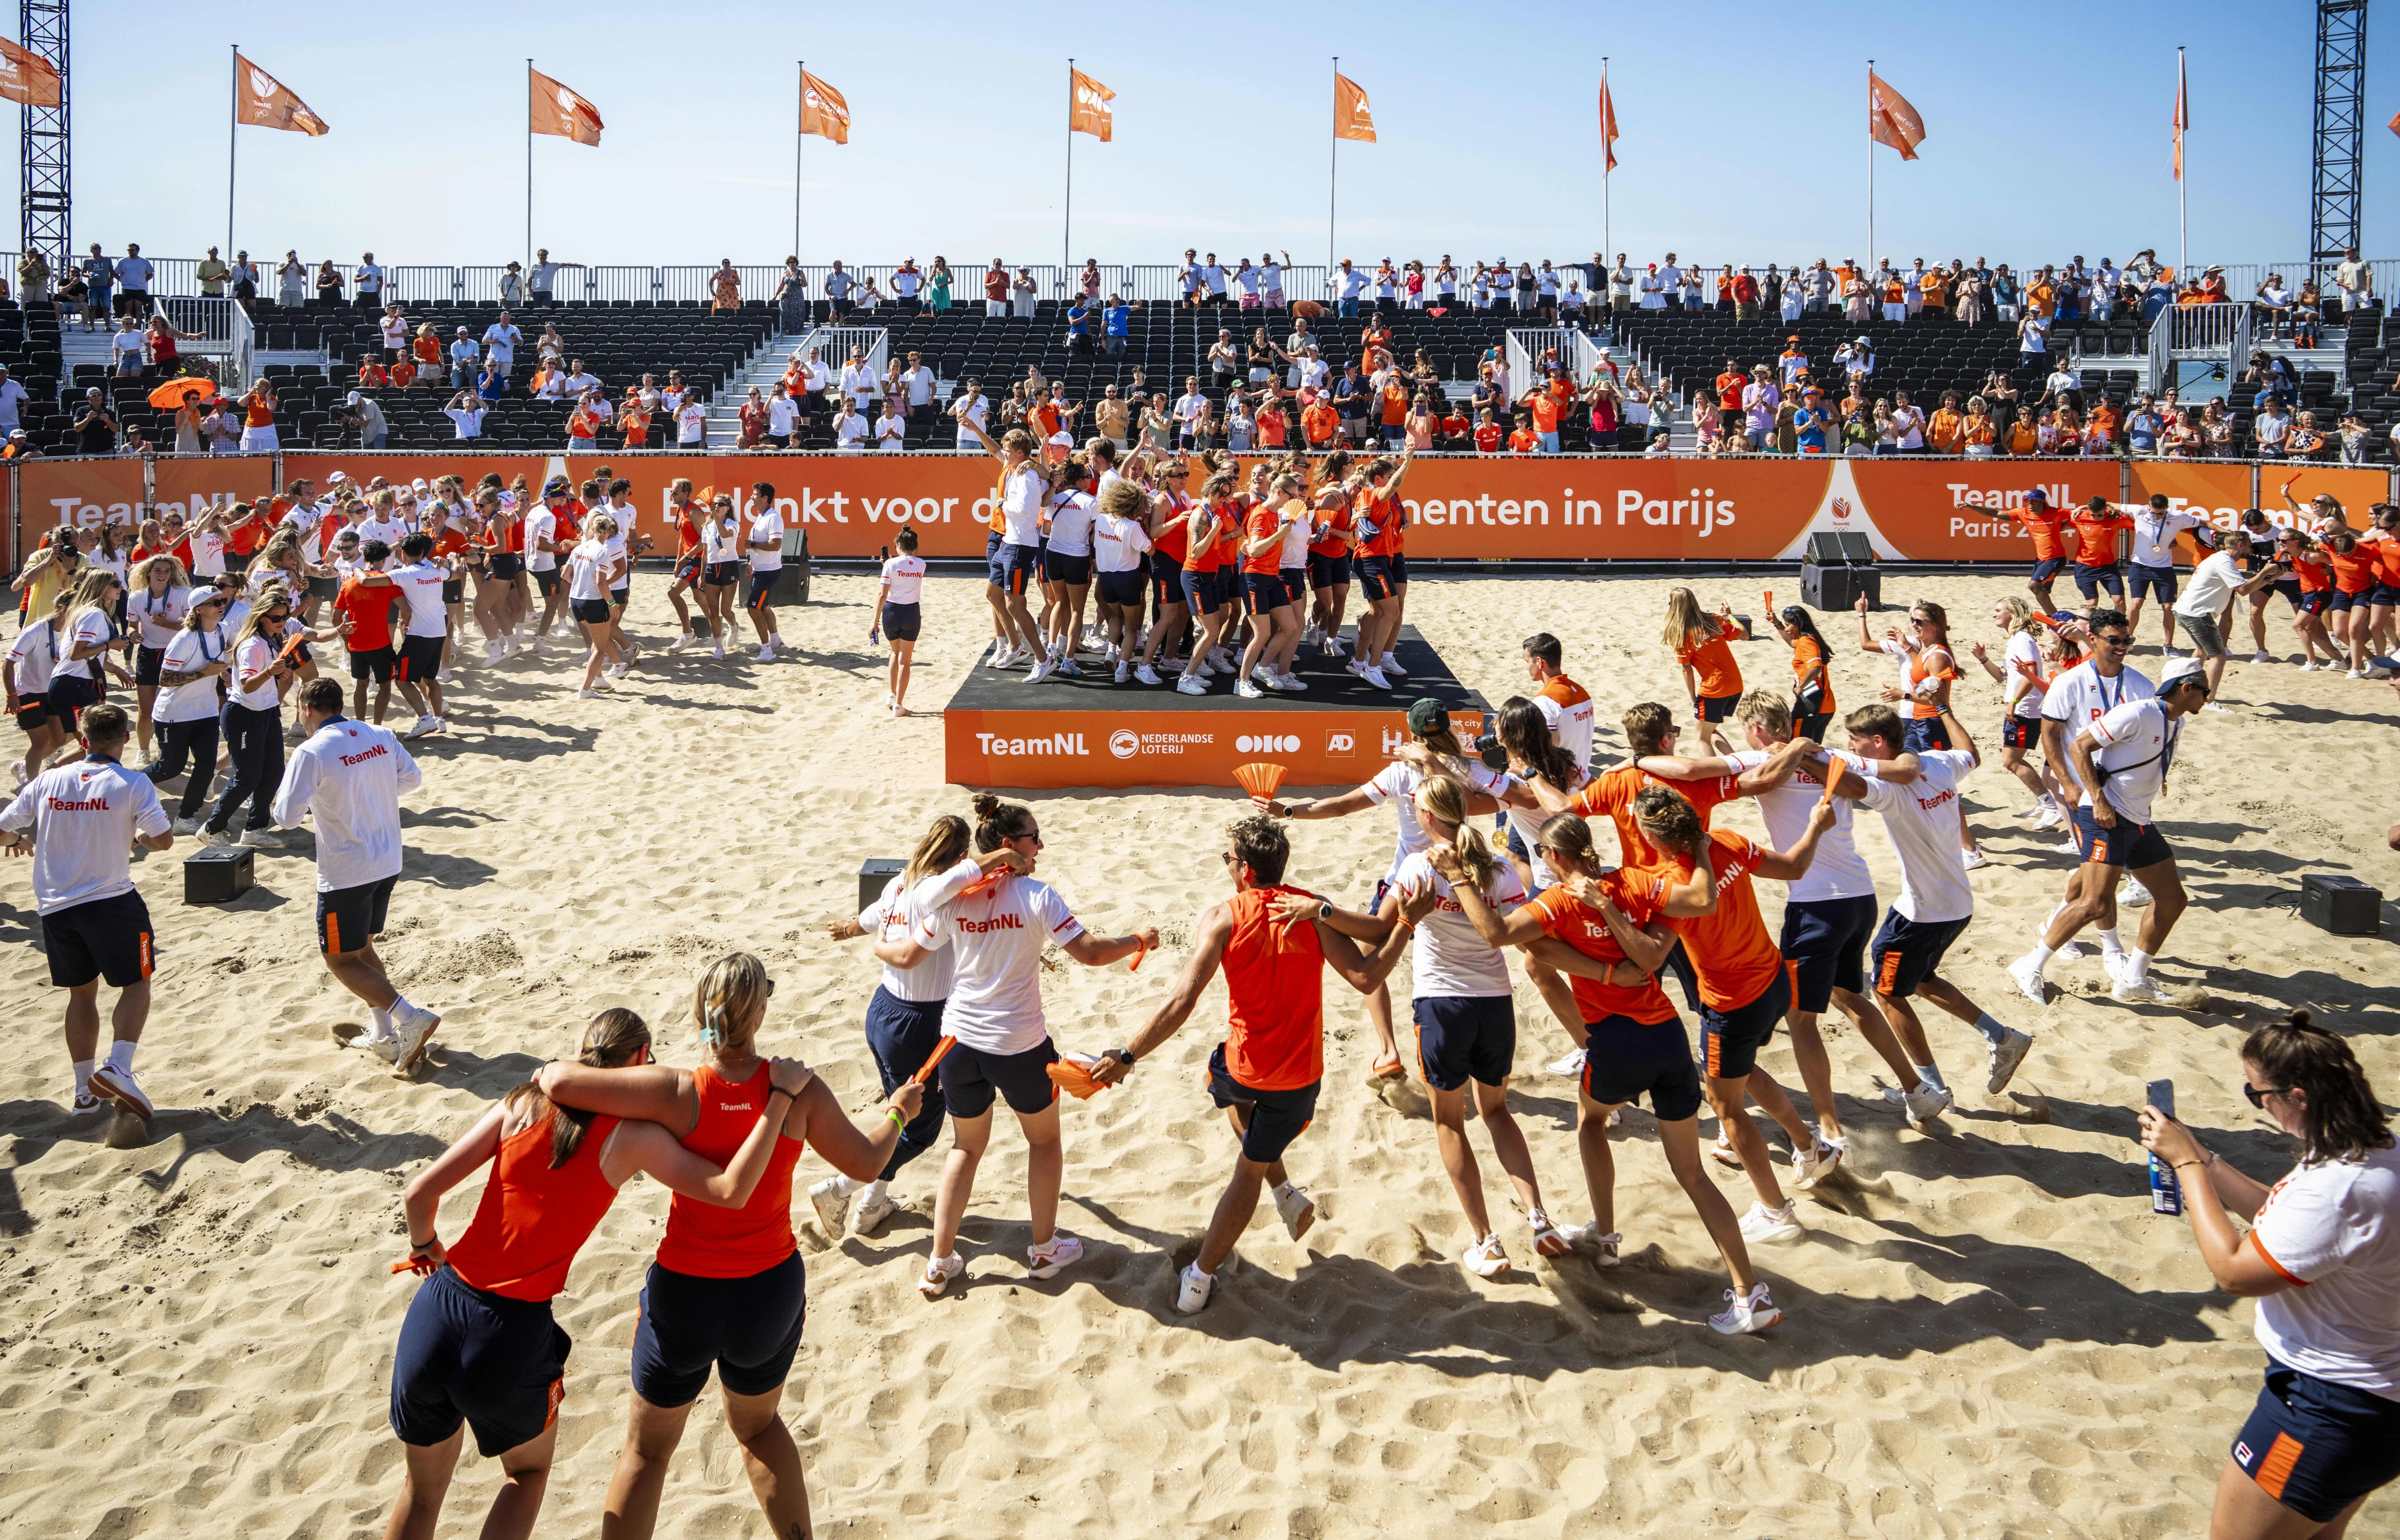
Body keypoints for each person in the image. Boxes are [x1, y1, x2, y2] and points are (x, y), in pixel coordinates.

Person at [532, 955, 927, 1540]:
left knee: (646, 1454)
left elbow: (558, 1080)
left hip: (685, 1294)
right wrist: (898, 1112)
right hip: (766, 1292)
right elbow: (868, 1161)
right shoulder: (798, 1089)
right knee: (760, 1430)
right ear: (760, 1014)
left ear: (699, 1011)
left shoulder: (673, 1090)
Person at [383, 1013, 808, 1540]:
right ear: (639, 1061)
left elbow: (418, 1196)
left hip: (438, 1308)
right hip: (509, 1332)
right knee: (525, 1474)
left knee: (420, 1494)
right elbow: (727, 1189)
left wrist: (426, 1246)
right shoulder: (631, 1136)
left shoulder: (520, 1104)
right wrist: (779, 1101)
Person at [1444, 806, 1786, 1333]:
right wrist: (1696, 845)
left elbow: (1495, 931)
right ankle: (1749, 1293)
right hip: (1668, 1037)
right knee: (1692, 1173)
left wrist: (1457, 877)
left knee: (1593, 1122)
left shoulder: (1557, 901)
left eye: (1543, 854)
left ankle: (1605, 1239)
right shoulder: (1637, 882)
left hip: (1616, 1042)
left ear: (1555, 856)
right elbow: (1700, 898)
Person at [1088, 814, 1419, 1312]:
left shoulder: (1223, 917)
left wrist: (1129, 1054)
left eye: (1228, 858)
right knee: (1227, 1096)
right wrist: (1406, 928)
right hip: (1295, 1076)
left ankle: (1198, 1281)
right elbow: (1368, 979)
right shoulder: (1311, 912)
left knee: (1245, 1166)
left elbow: (1181, 1000)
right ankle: (1284, 1189)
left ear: (1243, 868)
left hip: (1249, 1067)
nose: (1226, 864)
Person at [2137, 1011, 2399, 1540]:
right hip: (2375, 1410)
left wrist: (2187, 1169)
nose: (2258, 1105)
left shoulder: (2335, 1188)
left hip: (2323, 1411)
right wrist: (2206, 1158)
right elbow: (2287, 1231)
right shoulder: (2379, 1152)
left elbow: (2235, 1272)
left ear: (2297, 1097)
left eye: (2259, 1095)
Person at [909, 796, 1158, 1297]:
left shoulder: (955, 897)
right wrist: (1138, 939)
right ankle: (1044, 1252)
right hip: (1019, 1044)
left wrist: (865, 934)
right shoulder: (1038, 895)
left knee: (965, 1147)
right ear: (1009, 847)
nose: (1041, 846)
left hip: (958, 1041)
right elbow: (1088, 954)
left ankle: (938, 1262)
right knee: (1043, 1142)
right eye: (1033, 838)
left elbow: (913, 950)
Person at [1617, 782, 1839, 1242]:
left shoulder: (1670, 885)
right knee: (1740, 1072)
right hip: (1773, 980)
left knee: (1724, 1104)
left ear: (1654, 839)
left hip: (1732, 1004)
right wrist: (1816, 827)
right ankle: (1808, 1146)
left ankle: (1776, 1211)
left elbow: (1652, 957)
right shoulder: (1728, 842)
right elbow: (1795, 864)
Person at [1259, 699, 1519, 1079]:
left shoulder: (1402, 772)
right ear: (1449, 727)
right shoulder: (1470, 771)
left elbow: (1341, 806)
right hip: (1466, 878)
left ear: (1411, 735)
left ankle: (1387, 1050)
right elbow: (1490, 804)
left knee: (1369, 958)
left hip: (1408, 880)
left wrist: (1289, 811)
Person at [1818, 703, 2034, 1126]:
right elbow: (1971, 752)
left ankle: (1930, 1086)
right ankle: (2003, 1037)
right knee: (1918, 980)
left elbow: (1846, 785)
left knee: (1886, 992)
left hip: (1925, 911)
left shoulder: (1890, 790)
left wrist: (1803, 755)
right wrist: (1946, 711)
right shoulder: (1939, 763)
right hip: (1955, 904)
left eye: (1855, 741)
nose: (1850, 746)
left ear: (1877, 743)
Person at [815, 821, 1026, 1237]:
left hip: (883, 1014)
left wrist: (848, 929)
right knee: (919, 1131)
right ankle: (839, 1188)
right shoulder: (933, 891)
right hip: (918, 1024)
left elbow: (874, 918)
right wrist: (1003, 856)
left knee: (901, 1113)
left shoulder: (900, 883)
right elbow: (964, 876)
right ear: (960, 857)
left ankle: (871, 1207)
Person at [0, 702, 172, 1123]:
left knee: (82, 994)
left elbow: (3, 829)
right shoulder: (132, 783)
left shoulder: (49, 780)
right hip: (112, 902)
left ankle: (83, 1091)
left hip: (57, 907)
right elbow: (163, 840)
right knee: (137, 983)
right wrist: (135, 838)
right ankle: (118, 1065)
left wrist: (18, 838)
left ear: (82, 739)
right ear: (126, 739)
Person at [2009, 656, 2212, 1008]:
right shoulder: (2137, 713)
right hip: (2103, 815)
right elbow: (2078, 746)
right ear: (2186, 688)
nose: (2207, 698)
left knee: (2173, 899)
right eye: (2204, 691)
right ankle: (2029, 966)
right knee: (2094, 902)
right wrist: (2097, 799)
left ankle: (2133, 978)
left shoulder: (2174, 722)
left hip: (2136, 819)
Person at [271, 676, 440, 1069]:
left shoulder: (311, 751)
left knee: (340, 961)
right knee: (362, 949)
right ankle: (383, 1034)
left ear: (307, 708)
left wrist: (329, 796)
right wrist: (365, 787)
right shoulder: (378, 733)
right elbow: (412, 780)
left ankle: (411, 1018)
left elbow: (285, 818)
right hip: (388, 861)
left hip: (347, 871)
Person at [2038, 607, 2158, 942]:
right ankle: (2112, 949)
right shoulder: (2069, 682)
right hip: (2085, 791)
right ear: (2092, 639)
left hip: (2126, 794)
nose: (2121, 646)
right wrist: (2066, 785)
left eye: (2127, 640)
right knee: (2101, 875)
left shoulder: (2141, 685)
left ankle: (2054, 923)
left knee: (2096, 868)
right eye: (2114, 640)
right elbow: (2050, 736)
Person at [1968, 597, 2066, 826]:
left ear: (2012, 613)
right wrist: (1983, 659)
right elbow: (2003, 677)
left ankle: (2050, 805)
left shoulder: (2022, 639)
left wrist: (2014, 700)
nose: (1994, 614)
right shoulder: (2016, 640)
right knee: (2014, 759)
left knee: (2011, 761)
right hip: (2023, 707)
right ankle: (2045, 803)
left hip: (2025, 709)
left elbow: (2031, 673)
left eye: (1998, 610)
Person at [143, 587, 234, 831]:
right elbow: (165, 678)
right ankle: (129, 785)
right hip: (174, 713)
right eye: (215, 602)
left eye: (223, 600)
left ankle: (185, 817)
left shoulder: (222, 630)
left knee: (205, 767)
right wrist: (203, 674)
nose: (221, 604)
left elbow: (215, 662)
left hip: (204, 711)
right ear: (199, 609)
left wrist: (224, 674)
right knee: (171, 766)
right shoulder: (184, 639)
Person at [2173, 531, 2278, 703]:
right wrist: (2263, 573)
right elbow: (2243, 590)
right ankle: (2208, 700)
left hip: (2186, 611)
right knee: (2218, 657)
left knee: (2202, 651)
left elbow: (2244, 589)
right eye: (2249, 544)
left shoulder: (2220, 558)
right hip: (2197, 614)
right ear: (2240, 545)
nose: (2251, 548)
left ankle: (2184, 688)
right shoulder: (2224, 561)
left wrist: (2268, 579)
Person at [1664, 588, 1743, 755]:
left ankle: (1714, 776)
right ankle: (1736, 763)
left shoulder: (1682, 632)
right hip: (1736, 684)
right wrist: (1730, 616)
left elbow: (1687, 669)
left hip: (1715, 688)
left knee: (1701, 738)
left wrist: (1693, 697)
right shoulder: (1713, 619)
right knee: (1710, 730)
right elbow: (1744, 634)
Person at [871, 527, 924, 716]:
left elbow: (882, 594)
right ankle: (899, 705)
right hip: (911, 612)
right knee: (905, 661)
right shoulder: (922, 564)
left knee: (894, 652)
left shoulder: (891, 565)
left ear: (898, 545)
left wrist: (875, 621)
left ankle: (892, 695)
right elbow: (908, 567)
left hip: (891, 612)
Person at [1763, 605, 1836, 741]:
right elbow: (1791, 642)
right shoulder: (1807, 639)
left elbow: (1816, 668)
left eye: (1788, 625)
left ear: (1798, 624)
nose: (1786, 629)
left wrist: (1800, 687)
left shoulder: (1807, 643)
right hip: (1824, 706)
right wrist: (1776, 623)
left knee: (1799, 745)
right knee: (1812, 749)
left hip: (1814, 705)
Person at [741, 483, 784, 664]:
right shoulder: (761, 517)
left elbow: (776, 545)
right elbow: (760, 543)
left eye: (755, 494)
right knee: (764, 606)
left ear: (765, 498)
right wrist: (751, 562)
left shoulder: (773, 517)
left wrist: (752, 545)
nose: (752, 497)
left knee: (753, 607)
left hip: (769, 571)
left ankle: (767, 650)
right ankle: (775, 641)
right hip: (760, 569)